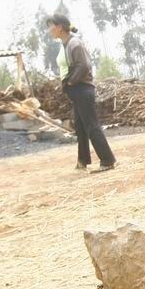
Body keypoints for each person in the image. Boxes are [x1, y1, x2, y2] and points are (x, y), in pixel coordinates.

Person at [46, 14, 116, 172]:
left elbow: (84, 66)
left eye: (51, 26)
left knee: (91, 125)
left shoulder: (74, 43)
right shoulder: (65, 44)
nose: (49, 30)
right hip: (76, 90)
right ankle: (82, 161)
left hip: (82, 89)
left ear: (59, 27)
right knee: (81, 127)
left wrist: (70, 82)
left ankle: (107, 160)